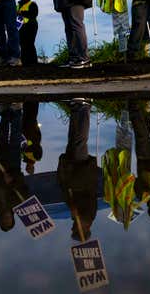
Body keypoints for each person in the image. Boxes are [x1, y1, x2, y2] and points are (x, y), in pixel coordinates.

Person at [57, 99, 97, 240]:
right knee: (79, 141)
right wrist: (78, 216)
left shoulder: (77, 217)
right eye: (75, 230)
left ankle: (76, 110)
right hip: (80, 171)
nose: (72, 228)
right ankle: (85, 108)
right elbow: (87, 204)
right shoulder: (88, 218)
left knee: (74, 139)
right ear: (83, 230)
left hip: (72, 170)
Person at [0, 104, 28, 232]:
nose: (6, 219)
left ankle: (6, 114)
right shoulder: (18, 203)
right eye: (8, 221)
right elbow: (23, 186)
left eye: (3, 221)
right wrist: (12, 181)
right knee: (15, 139)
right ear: (12, 218)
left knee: (2, 138)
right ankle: (16, 111)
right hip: (13, 166)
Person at [17, 0, 39, 66]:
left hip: (31, 26)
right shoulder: (18, 4)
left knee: (30, 43)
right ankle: (24, 61)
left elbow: (34, 14)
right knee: (22, 44)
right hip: (21, 27)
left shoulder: (32, 4)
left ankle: (33, 62)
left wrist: (22, 12)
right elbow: (15, 14)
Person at [22, 101, 42, 175]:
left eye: (27, 168)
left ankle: (27, 101)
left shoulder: (25, 157)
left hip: (26, 133)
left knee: (26, 115)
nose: (28, 167)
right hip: (32, 133)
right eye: (29, 168)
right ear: (33, 167)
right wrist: (29, 143)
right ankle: (34, 101)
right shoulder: (37, 157)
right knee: (32, 116)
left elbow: (24, 146)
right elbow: (37, 145)